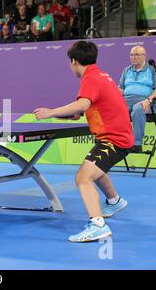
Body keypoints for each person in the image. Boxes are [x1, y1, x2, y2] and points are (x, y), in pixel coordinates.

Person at [34, 41, 134, 242]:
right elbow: (92, 104)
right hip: (116, 136)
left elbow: (82, 102)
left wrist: (50, 112)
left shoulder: (90, 77)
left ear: (73, 61)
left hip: (114, 140)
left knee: (82, 177)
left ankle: (97, 225)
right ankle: (114, 201)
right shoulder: (101, 75)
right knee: (94, 168)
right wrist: (81, 110)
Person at [119, 46, 156, 153]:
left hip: (144, 100)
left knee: (137, 109)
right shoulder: (127, 70)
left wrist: (148, 100)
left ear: (144, 56)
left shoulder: (152, 70)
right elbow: (121, 88)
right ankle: (119, 142)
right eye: (131, 55)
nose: (133, 57)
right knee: (117, 109)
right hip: (127, 99)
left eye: (136, 55)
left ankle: (137, 144)